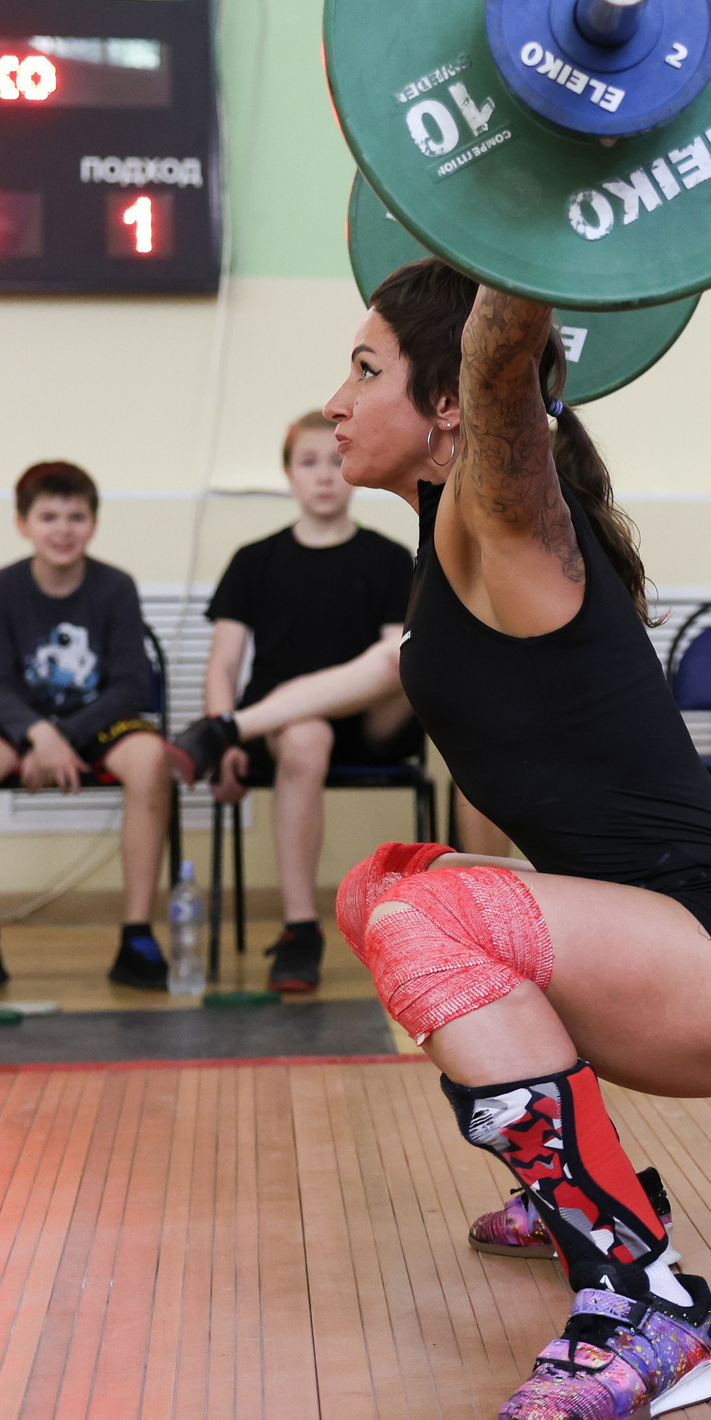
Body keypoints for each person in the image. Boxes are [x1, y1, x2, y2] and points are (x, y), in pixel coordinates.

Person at [178, 260, 711, 1420]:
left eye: (364, 369)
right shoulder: (451, 551)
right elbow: (372, 672)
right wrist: (231, 723)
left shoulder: (503, 515)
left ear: (453, 409)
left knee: (430, 922)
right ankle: (571, 1191)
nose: (336, 403)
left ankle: (647, 1301)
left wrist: (520, 216)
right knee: (386, 885)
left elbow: (501, 356)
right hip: (677, 947)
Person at [188, 412, 423, 992]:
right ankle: (300, 928)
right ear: (287, 475)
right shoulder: (254, 559)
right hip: (283, 727)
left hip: (372, 720)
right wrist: (228, 743)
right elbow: (222, 662)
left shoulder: (389, 557)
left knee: (406, 654)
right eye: (308, 463)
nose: (325, 477)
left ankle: (226, 728)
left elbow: (396, 660)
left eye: (337, 462)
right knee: (305, 734)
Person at [0, 461, 173, 995]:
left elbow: (130, 688)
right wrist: (40, 733)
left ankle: (137, 935)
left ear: (94, 524)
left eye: (77, 516)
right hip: (23, 724)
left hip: (100, 723)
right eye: (48, 516)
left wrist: (67, 735)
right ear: (22, 524)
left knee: (151, 759)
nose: (63, 529)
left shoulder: (116, 587)